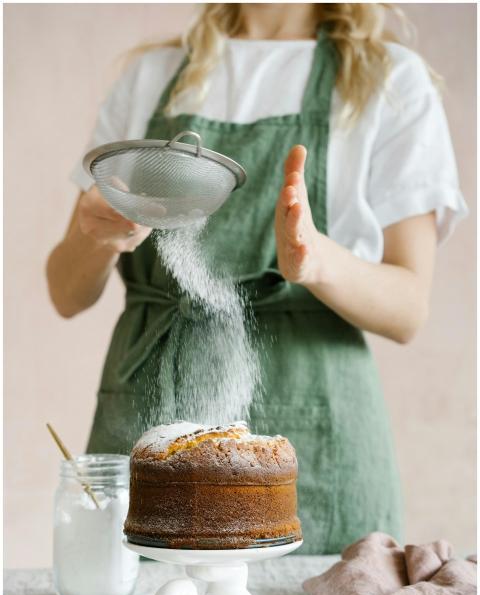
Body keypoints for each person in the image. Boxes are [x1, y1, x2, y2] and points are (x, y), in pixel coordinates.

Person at [46, 3, 467, 554]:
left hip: (320, 435)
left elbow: (410, 309)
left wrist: (316, 262)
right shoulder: (152, 77)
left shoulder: (386, 79)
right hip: (147, 409)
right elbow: (65, 291)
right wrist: (98, 235)